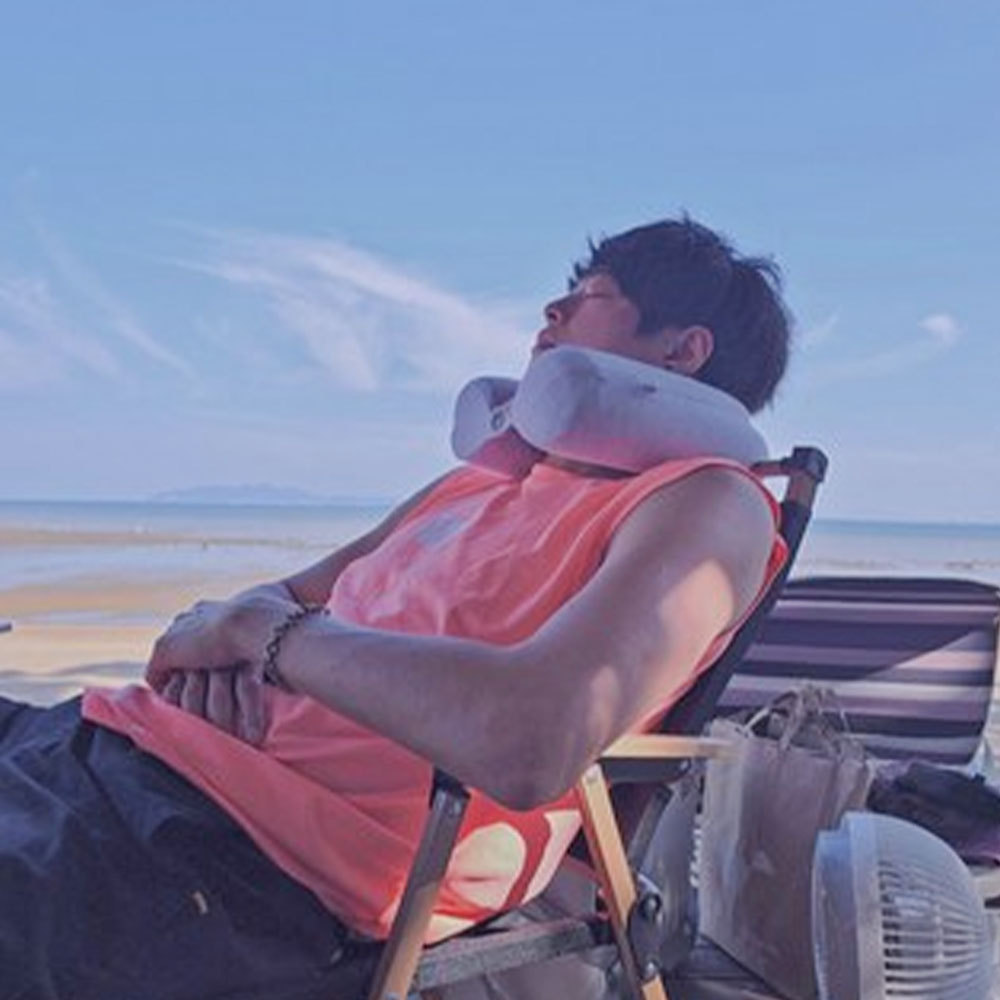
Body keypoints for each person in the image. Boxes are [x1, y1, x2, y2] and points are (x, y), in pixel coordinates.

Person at [0, 217, 791, 999]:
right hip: (107, 747)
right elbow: (284, 598)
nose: (551, 310)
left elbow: (533, 738)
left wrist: (260, 636)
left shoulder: (707, 503)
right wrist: (233, 638)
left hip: (241, 856)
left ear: (682, 350)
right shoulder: (479, 484)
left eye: (590, 297)